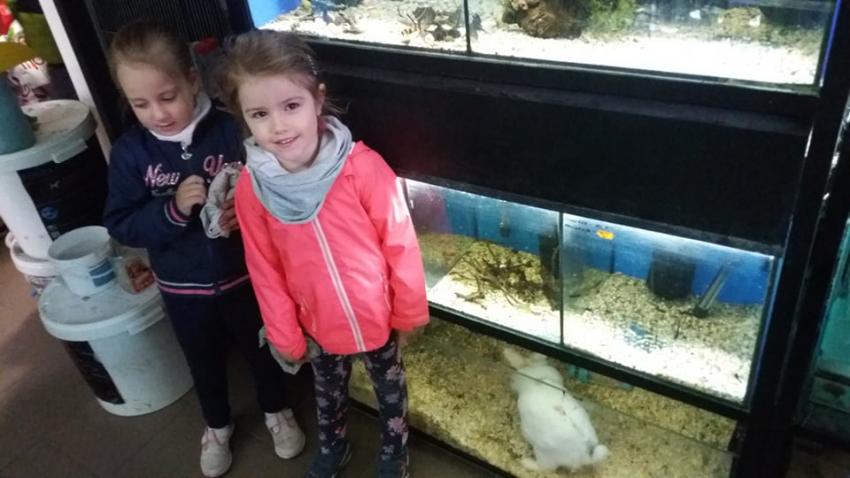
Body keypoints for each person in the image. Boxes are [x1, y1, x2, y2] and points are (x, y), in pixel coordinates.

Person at [217, 30, 429, 478]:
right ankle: (334, 447)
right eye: (260, 114)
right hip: (316, 324)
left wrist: (408, 311)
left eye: (291, 105)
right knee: (328, 394)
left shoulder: (361, 167)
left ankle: (394, 452)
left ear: (317, 99)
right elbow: (264, 270)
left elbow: (400, 241)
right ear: (244, 119)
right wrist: (285, 335)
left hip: (377, 317)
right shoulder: (253, 192)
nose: (278, 126)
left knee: (390, 390)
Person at [102, 21, 304, 478]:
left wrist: (245, 210)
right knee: (203, 362)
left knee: (263, 348)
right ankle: (216, 425)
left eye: (167, 96)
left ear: (192, 80)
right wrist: (171, 210)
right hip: (182, 289)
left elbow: (275, 183)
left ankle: (276, 410)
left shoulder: (232, 128)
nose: (158, 113)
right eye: (140, 104)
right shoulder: (131, 153)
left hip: (248, 278)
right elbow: (121, 222)